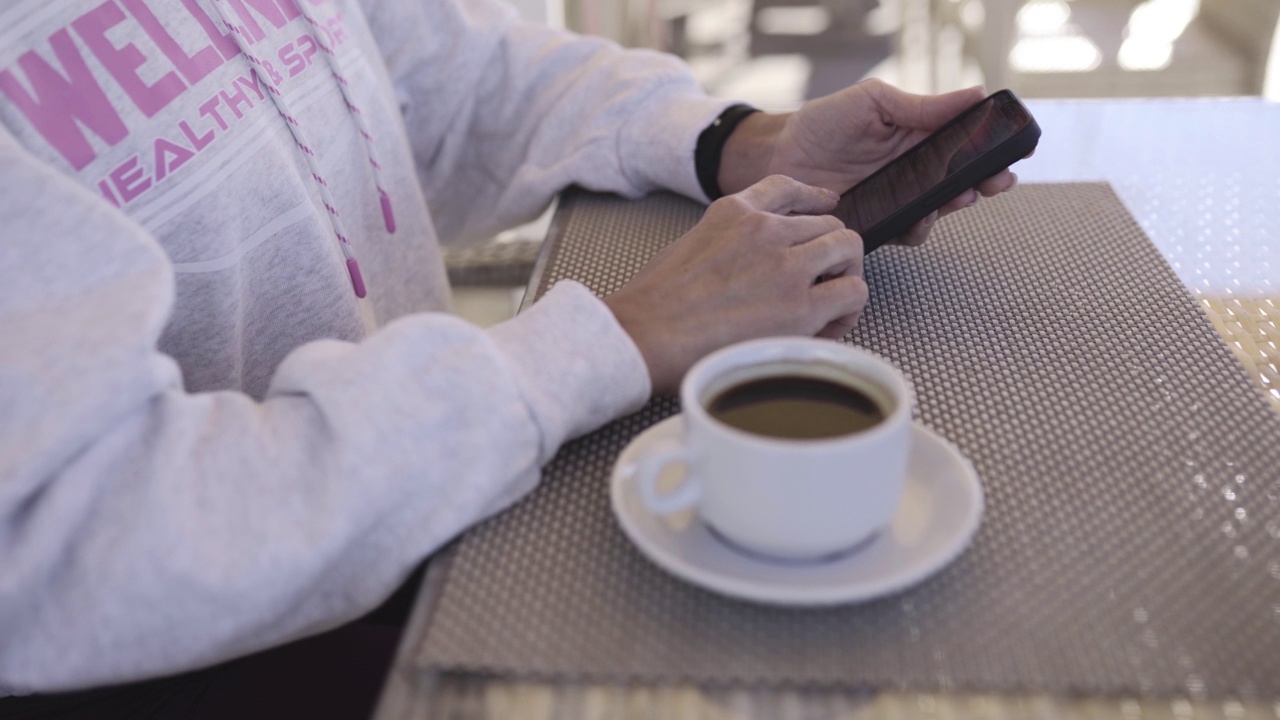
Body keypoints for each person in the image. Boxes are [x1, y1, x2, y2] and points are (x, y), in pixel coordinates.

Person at [0, 0, 1016, 713]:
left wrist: (732, 142)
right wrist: (617, 337)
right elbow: (59, 534)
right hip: (167, 665)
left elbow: (441, 82)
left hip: (422, 502)